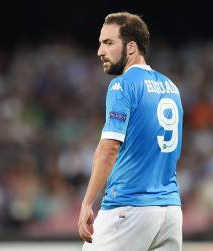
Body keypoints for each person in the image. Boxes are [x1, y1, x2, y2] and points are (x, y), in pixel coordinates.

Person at [78, 12, 183, 251]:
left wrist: (87, 202)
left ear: (131, 47)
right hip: (170, 212)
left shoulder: (122, 85)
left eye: (108, 43)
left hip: (128, 207)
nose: (100, 51)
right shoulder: (171, 87)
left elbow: (109, 148)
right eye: (100, 43)